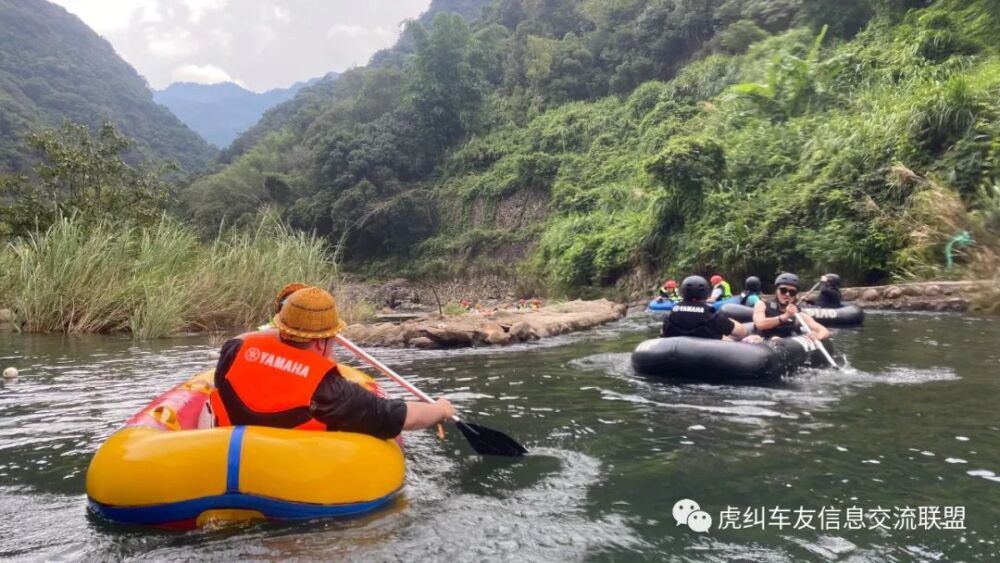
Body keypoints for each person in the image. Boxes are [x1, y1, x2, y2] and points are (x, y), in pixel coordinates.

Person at [209, 286, 455, 439]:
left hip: (223, 455)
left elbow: (249, 343)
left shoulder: (234, 350)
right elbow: (396, 416)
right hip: (288, 475)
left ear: (280, 328)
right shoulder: (332, 390)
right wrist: (439, 410)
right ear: (322, 341)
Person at [661, 276, 747, 340]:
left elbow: (663, 334)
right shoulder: (712, 316)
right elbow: (741, 332)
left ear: (682, 292)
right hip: (708, 359)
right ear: (706, 293)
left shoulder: (670, 316)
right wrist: (727, 319)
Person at [753, 273, 831, 341]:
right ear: (776, 290)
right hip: (763, 343)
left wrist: (818, 336)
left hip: (788, 346)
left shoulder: (797, 313)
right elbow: (760, 324)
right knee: (775, 338)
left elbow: (824, 331)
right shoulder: (762, 304)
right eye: (783, 290)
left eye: (792, 292)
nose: (787, 294)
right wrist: (785, 316)